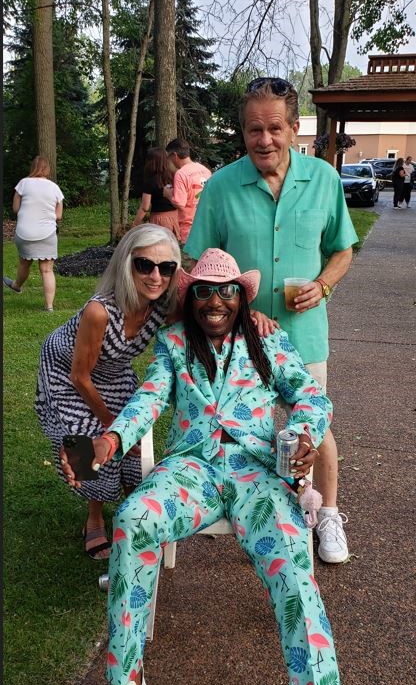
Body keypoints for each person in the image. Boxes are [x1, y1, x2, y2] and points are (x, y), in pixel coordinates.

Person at [62, 249, 359, 685]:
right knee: (134, 518)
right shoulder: (174, 345)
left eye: (227, 291)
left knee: (299, 587)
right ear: (191, 297)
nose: (215, 301)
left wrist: (302, 434)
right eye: (203, 291)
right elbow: (150, 398)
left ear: (242, 298)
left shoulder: (268, 342)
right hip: (192, 472)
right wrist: (111, 440)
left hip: (259, 475)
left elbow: (311, 395)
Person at [184, 77, 359, 564]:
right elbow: (197, 265)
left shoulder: (324, 179)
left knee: (315, 425)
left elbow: (342, 249)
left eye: (275, 128)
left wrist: (323, 284)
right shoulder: (221, 186)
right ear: (243, 131)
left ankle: (328, 514)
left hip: (305, 332)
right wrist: (238, 307)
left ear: (294, 127)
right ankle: (244, 503)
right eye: (254, 129)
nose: (264, 140)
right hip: (238, 338)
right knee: (241, 425)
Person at [35, 224, 181, 559]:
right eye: (144, 265)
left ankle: (133, 508)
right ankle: (94, 517)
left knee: (132, 442)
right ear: (126, 265)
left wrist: (256, 317)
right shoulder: (99, 310)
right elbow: (79, 376)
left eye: (166, 267)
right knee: (88, 439)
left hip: (112, 369)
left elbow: (209, 313)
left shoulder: (164, 304)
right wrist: (109, 422)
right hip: (67, 370)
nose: (155, 276)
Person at [3, 155, 64, 311]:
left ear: (33, 168)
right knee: (47, 270)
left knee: (25, 262)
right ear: (48, 169)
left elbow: (16, 209)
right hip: (47, 233)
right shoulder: (54, 188)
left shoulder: (23, 183)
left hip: (24, 233)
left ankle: (16, 285)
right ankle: (49, 306)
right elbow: (58, 216)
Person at [163, 137, 212, 244]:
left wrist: (168, 195)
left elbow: (180, 203)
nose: (168, 161)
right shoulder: (205, 170)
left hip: (189, 230)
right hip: (207, 226)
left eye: (168, 158)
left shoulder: (181, 173)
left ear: (174, 155)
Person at [131, 147, 180, 239]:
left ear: (151, 162)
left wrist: (135, 224)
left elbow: (145, 207)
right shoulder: (174, 177)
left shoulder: (151, 182)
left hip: (159, 219)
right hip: (176, 217)